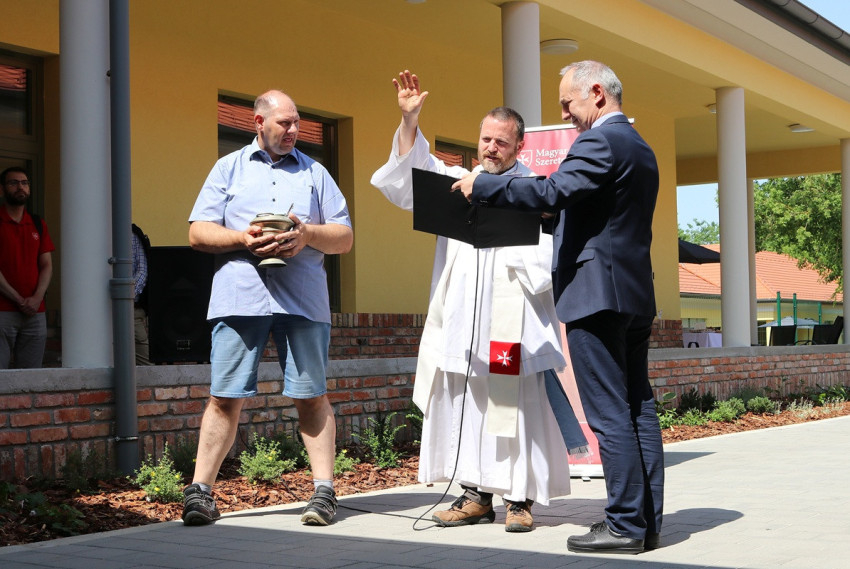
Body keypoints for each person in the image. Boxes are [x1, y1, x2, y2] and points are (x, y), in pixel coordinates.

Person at [454, 60, 664, 554]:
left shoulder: (599, 141)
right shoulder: (640, 145)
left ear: (597, 93)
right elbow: (584, 212)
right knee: (637, 408)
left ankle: (623, 525)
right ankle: (645, 521)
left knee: (609, 411)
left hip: (597, 295)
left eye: (568, 103)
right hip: (633, 294)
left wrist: (483, 186)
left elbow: (552, 190)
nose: (565, 113)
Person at [371, 70, 584, 533]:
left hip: (512, 324)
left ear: (519, 146)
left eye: (501, 142)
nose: (491, 148)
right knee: (466, 407)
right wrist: (409, 121)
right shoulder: (457, 182)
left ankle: (520, 500)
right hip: (462, 322)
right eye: (486, 139)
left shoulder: (537, 191)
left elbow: (553, 256)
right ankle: (475, 496)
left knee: (516, 410)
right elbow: (408, 179)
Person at [185, 90, 353, 527]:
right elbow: (198, 232)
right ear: (258, 122)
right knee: (224, 396)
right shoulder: (229, 168)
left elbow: (344, 237)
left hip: (303, 298)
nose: (293, 130)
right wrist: (243, 238)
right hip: (241, 297)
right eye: (284, 123)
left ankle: (324, 492)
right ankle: (201, 493)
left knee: (311, 395)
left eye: (297, 122)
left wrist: (307, 235)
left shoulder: (316, 172)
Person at [0, 167, 54, 369]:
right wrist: (19, 299)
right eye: (13, 183)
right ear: (2, 189)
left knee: (31, 376)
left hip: (35, 313)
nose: (20, 187)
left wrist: (37, 298)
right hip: (2, 311)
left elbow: (46, 265)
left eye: (24, 183)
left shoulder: (38, 223)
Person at [131, 223, 152, 365]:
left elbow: (142, 271)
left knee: (146, 364)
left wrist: (127, 296)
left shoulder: (132, 235)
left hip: (131, 310)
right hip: (99, 312)